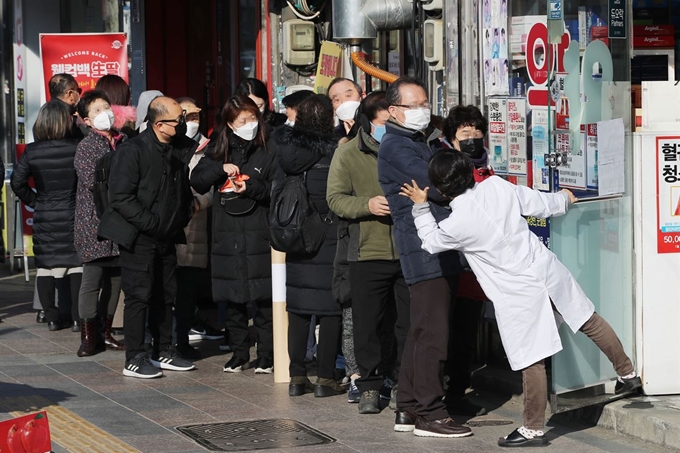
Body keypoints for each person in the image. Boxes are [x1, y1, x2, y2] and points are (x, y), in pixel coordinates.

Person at [401, 150, 642, 447]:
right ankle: (628, 373)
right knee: (587, 318)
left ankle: (533, 429)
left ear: (440, 187)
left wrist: (421, 208)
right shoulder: (497, 187)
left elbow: (430, 242)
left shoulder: (457, 224)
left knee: (532, 358)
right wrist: (565, 198)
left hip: (518, 292)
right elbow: (541, 204)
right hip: (545, 270)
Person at [377, 76, 471, 438]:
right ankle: (431, 413)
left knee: (421, 330)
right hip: (423, 245)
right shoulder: (396, 147)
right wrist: (457, 176)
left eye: (424, 104)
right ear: (394, 110)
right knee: (433, 331)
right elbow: (439, 183)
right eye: (413, 106)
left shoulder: (421, 139)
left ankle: (408, 407)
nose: (422, 111)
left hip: (437, 243)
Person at [101, 96, 196, 378]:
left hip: (167, 234)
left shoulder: (177, 148)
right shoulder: (133, 150)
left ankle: (163, 350)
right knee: (139, 295)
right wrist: (151, 223)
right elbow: (120, 197)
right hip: (139, 235)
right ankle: (135, 356)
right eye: (178, 120)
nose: (183, 124)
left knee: (166, 294)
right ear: (158, 124)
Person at [327, 91, 410, 413]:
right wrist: (367, 205)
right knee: (367, 325)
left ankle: (404, 381)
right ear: (368, 122)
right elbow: (334, 199)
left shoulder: (408, 149)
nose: (387, 129)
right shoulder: (347, 154)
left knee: (408, 322)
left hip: (408, 250)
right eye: (382, 123)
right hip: (366, 251)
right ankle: (370, 386)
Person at [190, 95, 275, 374]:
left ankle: (267, 354)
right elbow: (198, 180)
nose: (250, 124)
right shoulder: (218, 146)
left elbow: (278, 188)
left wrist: (250, 188)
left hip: (260, 229)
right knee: (232, 296)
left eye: (253, 118)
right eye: (243, 120)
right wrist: (219, 168)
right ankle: (239, 352)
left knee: (263, 298)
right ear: (230, 123)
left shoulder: (268, 146)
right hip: (226, 232)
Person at [270, 94, 345, 397]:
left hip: (297, 236)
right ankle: (326, 379)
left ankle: (297, 377)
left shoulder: (285, 151)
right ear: (329, 119)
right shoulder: (336, 153)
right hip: (329, 236)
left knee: (298, 310)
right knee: (330, 310)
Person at [11, 100, 83, 332]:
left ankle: (51, 317)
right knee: (76, 266)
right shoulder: (78, 146)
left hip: (44, 214)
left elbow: (17, 183)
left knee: (45, 267)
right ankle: (76, 318)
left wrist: (36, 201)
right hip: (74, 213)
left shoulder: (33, 151)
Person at [73, 90, 126, 356]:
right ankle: (87, 336)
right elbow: (94, 183)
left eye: (106, 107)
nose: (104, 113)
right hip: (93, 223)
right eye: (96, 110)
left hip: (122, 221)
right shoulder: (86, 147)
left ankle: (105, 333)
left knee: (115, 281)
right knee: (92, 279)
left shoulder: (124, 141)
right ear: (85, 119)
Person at [173, 97, 214, 360]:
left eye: (195, 117)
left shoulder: (208, 149)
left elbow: (212, 189)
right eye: (185, 117)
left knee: (188, 289)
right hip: (169, 228)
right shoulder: (167, 147)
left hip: (196, 228)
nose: (191, 123)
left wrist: (197, 202)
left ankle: (183, 339)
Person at [48, 73, 84, 138]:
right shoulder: (67, 120)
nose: (79, 94)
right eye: (78, 91)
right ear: (70, 94)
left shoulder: (42, 116)